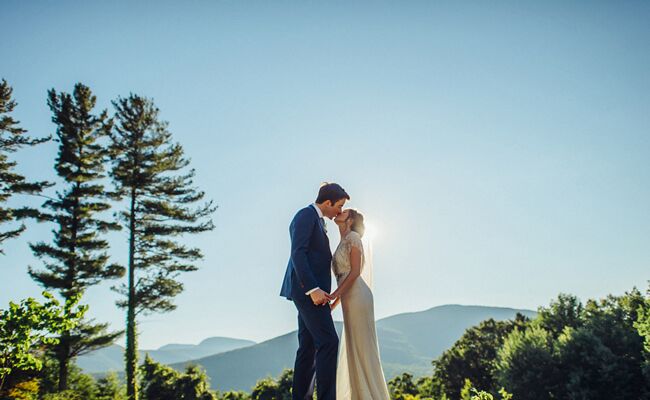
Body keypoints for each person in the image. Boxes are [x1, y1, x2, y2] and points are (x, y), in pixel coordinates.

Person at [280, 182, 350, 400]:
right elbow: (297, 253)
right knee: (329, 342)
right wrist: (313, 289)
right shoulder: (306, 215)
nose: (339, 211)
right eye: (338, 206)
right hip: (307, 292)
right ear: (327, 202)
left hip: (311, 292)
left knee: (308, 347)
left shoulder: (317, 221)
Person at [330, 209, 391, 399]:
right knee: (353, 345)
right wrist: (335, 304)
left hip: (358, 297)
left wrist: (334, 295)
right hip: (348, 298)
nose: (338, 212)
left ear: (349, 220)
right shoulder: (343, 240)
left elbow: (355, 273)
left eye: (343, 212)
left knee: (363, 346)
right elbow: (344, 278)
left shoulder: (354, 237)